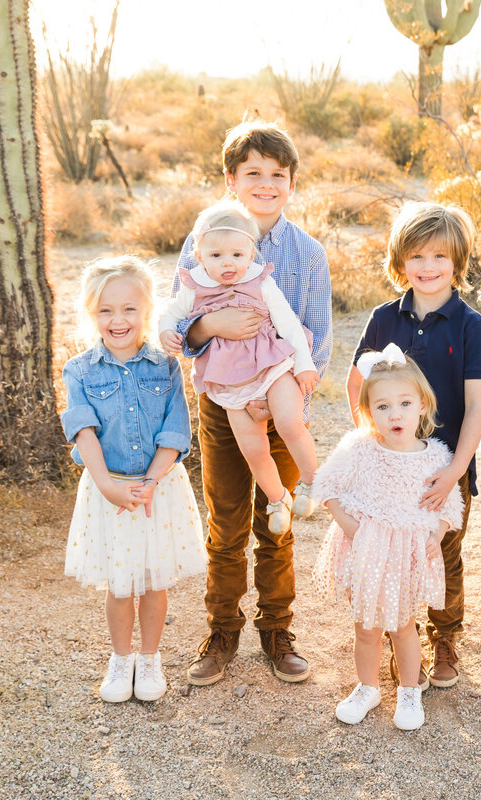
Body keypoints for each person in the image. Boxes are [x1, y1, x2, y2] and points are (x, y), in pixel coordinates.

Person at [162, 121, 331, 687]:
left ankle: (278, 629)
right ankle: (222, 628)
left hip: (279, 396)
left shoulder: (305, 253)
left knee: (275, 520)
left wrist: (290, 391)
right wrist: (211, 323)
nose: (265, 183)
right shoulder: (203, 237)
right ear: (230, 179)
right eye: (252, 173)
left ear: (290, 183)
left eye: (276, 175)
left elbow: (317, 332)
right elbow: (180, 319)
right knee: (226, 519)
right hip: (221, 402)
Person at [345, 202, 481, 690]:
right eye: (417, 256)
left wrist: (455, 473)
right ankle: (399, 642)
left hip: (441, 470)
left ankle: (444, 637)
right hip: (390, 468)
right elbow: (355, 382)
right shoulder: (385, 319)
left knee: (441, 553)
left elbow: (476, 406)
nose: (428, 268)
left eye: (439, 257)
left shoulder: (472, 325)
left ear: (457, 262)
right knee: (393, 554)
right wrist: (370, 442)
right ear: (399, 261)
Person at [61, 256, 206, 704]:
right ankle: (121, 657)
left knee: (153, 580)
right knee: (120, 584)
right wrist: (107, 484)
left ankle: (149, 657)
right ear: (91, 314)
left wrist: (152, 480)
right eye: (105, 310)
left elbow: (175, 429)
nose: (117, 319)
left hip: (157, 487)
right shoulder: (80, 370)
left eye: (128, 309)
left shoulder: (164, 365)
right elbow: (82, 429)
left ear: (146, 311)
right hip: (109, 488)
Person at [312, 348, 463, 731]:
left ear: (422, 406)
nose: (394, 414)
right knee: (365, 625)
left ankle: (409, 691)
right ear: (367, 412)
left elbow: (450, 503)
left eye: (404, 403)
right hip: (366, 550)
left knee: (402, 625)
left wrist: (438, 532)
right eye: (382, 406)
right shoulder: (360, 449)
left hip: (406, 556)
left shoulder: (435, 456)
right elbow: (325, 484)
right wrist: (350, 527)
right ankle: (367, 687)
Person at [159, 200, 318, 536]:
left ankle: (310, 483)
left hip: (272, 366)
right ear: (200, 255)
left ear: (251, 253)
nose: (227, 263)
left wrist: (304, 366)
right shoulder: (194, 285)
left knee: (291, 423)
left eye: (237, 255)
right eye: (216, 256)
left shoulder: (261, 281)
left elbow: (289, 324)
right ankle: (277, 500)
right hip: (230, 381)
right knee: (254, 449)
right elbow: (170, 316)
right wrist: (166, 332)